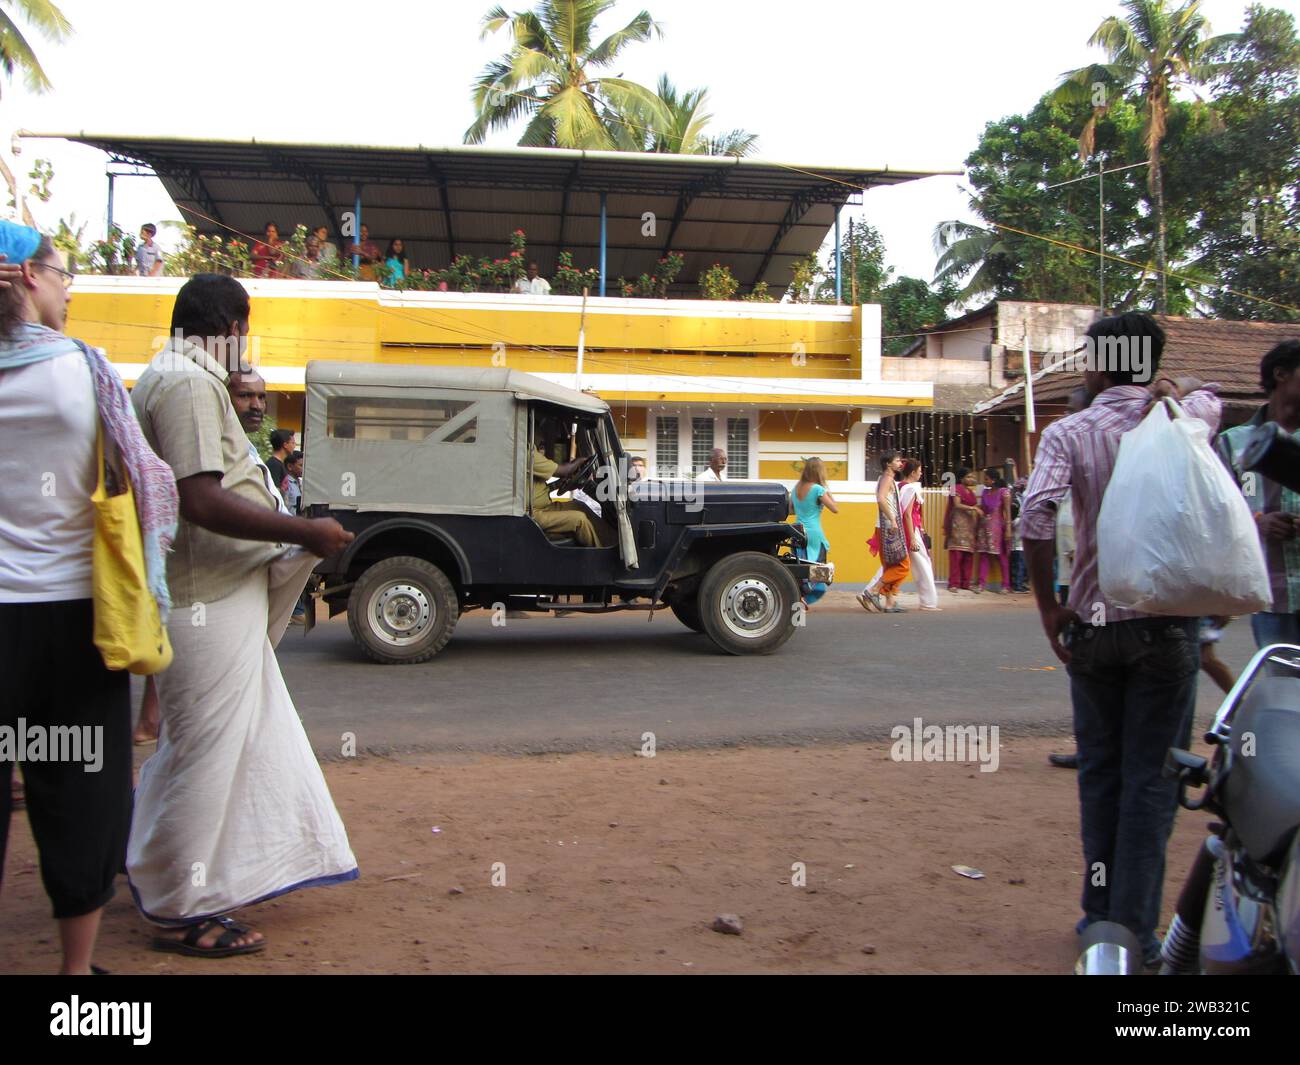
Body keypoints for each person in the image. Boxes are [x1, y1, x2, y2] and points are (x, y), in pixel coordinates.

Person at [128, 273, 358, 956]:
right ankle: (179, 906)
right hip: (205, 597)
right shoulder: (189, 384)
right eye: (244, 331)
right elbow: (198, 497)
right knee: (207, 751)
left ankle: (157, 863)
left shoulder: (165, 375)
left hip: (204, 593)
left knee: (200, 745)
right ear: (231, 328)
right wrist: (302, 534)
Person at [0, 221, 178, 975]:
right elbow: (151, 487)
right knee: (81, 789)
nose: (71, 285)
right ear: (30, 277)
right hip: (78, 619)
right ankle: (75, 978)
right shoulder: (87, 369)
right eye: (64, 272)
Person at [1021, 311, 1220, 967]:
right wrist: (1174, 386)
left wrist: (1051, 608)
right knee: (1150, 783)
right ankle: (1134, 927)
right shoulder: (1184, 417)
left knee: (1102, 774)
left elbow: (1037, 516)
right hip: (1167, 627)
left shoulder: (1070, 431)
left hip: (1093, 627)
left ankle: (1098, 914)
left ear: (1098, 364)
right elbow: (1208, 394)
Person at [1215, 339, 1300, 648]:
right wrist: (1258, 522)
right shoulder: (1232, 443)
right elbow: (1216, 514)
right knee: (1285, 691)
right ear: (1281, 374)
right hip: (1269, 597)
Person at [530, 437, 614, 548]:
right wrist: (579, 461)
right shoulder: (525, 452)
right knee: (579, 520)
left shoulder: (530, 450)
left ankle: (614, 543)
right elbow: (564, 470)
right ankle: (606, 558)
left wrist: (558, 484)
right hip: (530, 514)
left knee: (579, 505)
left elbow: (533, 490)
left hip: (540, 508)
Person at [790, 457, 838, 606]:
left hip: (797, 530)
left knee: (800, 565)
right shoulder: (818, 489)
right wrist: (826, 489)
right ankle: (806, 594)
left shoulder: (796, 488)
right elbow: (835, 508)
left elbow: (791, 509)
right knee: (817, 566)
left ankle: (799, 596)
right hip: (813, 532)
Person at [899, 460, 940, 610]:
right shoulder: (910, 489)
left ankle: (870, 591)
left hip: (905, 530)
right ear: (912, 472)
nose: (921, 473)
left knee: (893, 565)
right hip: (911, 530)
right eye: (919, 470)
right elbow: (908, 515)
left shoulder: (900, 486)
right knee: (923, 564)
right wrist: (913, 538)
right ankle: (928, 602)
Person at [943, 467, 981, 594]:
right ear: (961, 478)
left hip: (969, 527)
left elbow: (974, 506)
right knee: (956, 555)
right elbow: (957, 505)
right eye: (968, 477)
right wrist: (974, 509)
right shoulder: (956, 488)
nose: (971, 479)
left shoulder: (971, 493)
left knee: (968, 556)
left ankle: (966, 583)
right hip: (957, 525)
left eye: (972, 477)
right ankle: (953, 583)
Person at [974, 467, 1011, 593]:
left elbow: (1007, 512)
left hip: (998, 529)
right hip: (984, 528)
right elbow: (983, 508)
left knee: (1001, 557)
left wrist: (1008, 529)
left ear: (993, 480)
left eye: (986, 479)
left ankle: (1006, 585)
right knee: (983, 555)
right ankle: (981, 584)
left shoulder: (1003, 492)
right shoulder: (985, 492)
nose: (985, 481)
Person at [266, 428, 294, 497]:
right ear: (285, 445)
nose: (294, 446)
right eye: (293, 443)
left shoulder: (280, 464)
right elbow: (273, 493)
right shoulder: (274, 465)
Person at [284, 450, 304, 514]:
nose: (304, 468)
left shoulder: (300, 482)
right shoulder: (286, 484)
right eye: (301, 465)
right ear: (290, 466)